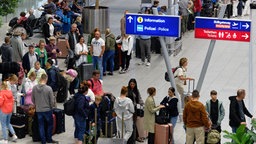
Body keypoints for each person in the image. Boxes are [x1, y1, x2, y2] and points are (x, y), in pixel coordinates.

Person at [32, 74, 57, 144]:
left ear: (40, 79)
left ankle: (43, 141)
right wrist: (51, 107)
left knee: (41, 125)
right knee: (50, 125)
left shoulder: (34, 88)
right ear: (46, 79)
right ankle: (49, 139)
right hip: (47, 110)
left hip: (39, 110)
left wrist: (37, 105)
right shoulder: (49, 88)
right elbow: (52, 101)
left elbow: (32, 99)